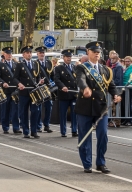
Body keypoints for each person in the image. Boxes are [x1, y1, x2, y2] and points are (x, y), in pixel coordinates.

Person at [75, 41, 121, 173]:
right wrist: (85, 88)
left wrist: (116, 95)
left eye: (98, 52)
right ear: (88, 52)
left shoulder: (105, 70)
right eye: (94, 51)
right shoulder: (82, 68)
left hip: (100, 108)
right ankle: (87, 163)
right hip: (85, 108)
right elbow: (80, 79)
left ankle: (101, 162)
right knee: (85, 136)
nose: (97, 53)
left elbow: (111, 86)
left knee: (103, 136)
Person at [13, 46, 44, 138]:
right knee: (24, 112)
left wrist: (40, 81)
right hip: (24, 92)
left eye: (30, 52)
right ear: (23, 55)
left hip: (34, 91)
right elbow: (15, 78)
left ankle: (34, 131)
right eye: (27, 53)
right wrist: (19, 84)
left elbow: (37, 76)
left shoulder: (35, 64)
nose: (29, 54)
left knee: (35, 111)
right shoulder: (20, 64)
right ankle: (26, 131)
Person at [0, 47, 22, 134]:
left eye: (10, 54)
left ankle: (16, 127)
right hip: (5, 91)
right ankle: (5, 127)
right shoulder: (0, 65)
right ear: (4, 55)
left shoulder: (16, 64)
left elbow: (19, 76)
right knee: (5, 110)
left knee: (15, 110)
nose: (9, 55)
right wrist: (3, 83)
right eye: (7, 54)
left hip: (14, 90)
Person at [54, 49, 78, 137]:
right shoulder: (59, 68)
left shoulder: (75, 68)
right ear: (63, 58)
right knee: (63, 114)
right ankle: (63, 131)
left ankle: (74, 130)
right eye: (67, 57)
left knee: (74, 113)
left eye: (70, 57)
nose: (69, 58)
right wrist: (62, 86)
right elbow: (57, 79)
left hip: (73, 94)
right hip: (64, 94)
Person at [35, 46, 53, 133]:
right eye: (40, 53)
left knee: (49, 107)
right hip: (39, 88)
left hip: (47, 88)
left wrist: (52, 84)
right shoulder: (35, 63)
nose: (42, 54)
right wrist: (38, 81)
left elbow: (52, 75)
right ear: (37, 54)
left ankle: (46, 125)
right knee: (39, 108)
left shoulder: (49, 63)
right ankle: (38, 125)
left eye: (43, 53)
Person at [108, 53, 123, 127]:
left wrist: (111, 83)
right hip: (114, 89)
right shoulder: (113, 66)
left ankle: (117, 121)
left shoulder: (118, 67)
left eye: (113, 59)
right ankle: (113, 120)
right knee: (113, 106)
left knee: (116, 106)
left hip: (117, 89)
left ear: (117, 59)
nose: (111, 60)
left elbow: (118, 79)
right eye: (111, 59)